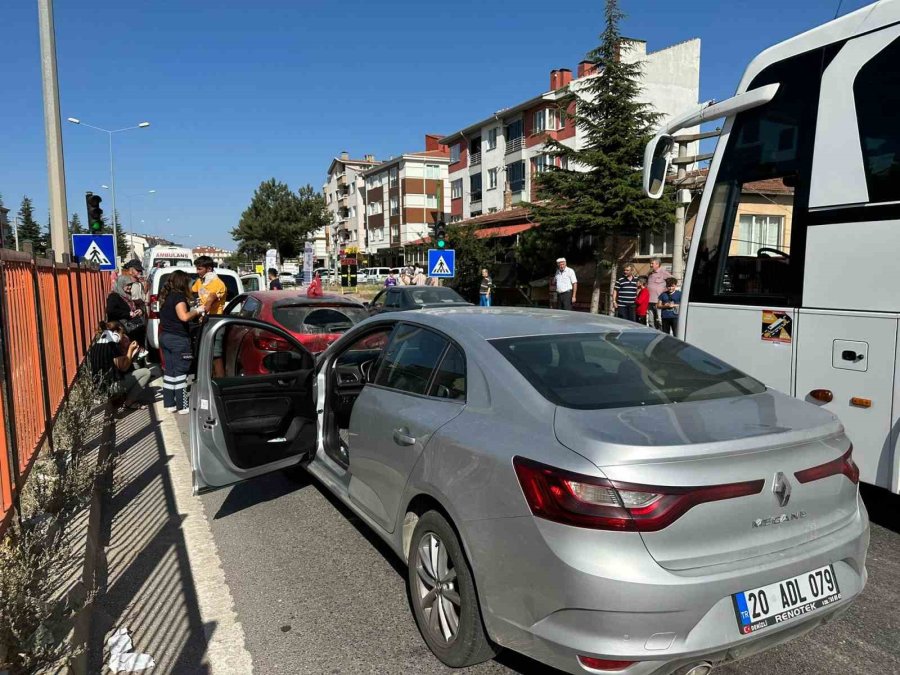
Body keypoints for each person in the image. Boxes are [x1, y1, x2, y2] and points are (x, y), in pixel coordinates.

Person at [159, 270, 205, 413]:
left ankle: (169, 404)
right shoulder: (179, 297)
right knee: (180, 372)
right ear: (182, 282)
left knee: (170, 372)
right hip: (178, 339)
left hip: (165, 337)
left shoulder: (166, 296)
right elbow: (184, 317)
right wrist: (197, 310)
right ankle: (182, 405)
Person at [88, 321, 153, 412]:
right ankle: (128, 403)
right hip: (111, 386)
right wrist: (130, 350)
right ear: (116, 334)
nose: (122, 337)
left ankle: (122, 399)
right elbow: (124, 367)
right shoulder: (111, 346)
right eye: (121, 334)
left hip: (99, 386)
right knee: (146, 372)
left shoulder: (95, 347)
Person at [106, 275, 148, 359]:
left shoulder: (127, 296)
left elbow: (136, 306)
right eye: (127, 285)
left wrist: (140, 310)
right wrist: (128, 314)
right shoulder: (114, 296)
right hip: (120, 329)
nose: (129, 287)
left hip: (129, 327)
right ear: (121, 285)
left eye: (130, 285)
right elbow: (111, 311)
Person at [646, 257, 671, 330]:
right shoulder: (650, 273)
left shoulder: (663, 272)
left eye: (652, 263)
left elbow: (673, 282)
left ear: (657, 264)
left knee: (659, 321)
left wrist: (665, 292)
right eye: (650, 263)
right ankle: (653, 335)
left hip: (659, 301)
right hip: (650, 301)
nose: (650, 265)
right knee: (651, 321)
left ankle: (661, 335)